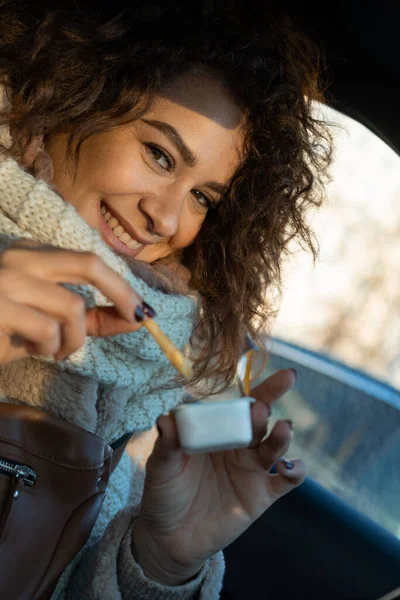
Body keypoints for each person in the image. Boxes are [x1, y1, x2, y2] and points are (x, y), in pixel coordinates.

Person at [0, 1, 332, 598]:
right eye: (158, 154)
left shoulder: (158, 369)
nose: (168, 218)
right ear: (73, 95)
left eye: (203, 197)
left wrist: (160, 561)